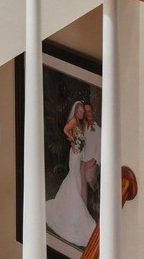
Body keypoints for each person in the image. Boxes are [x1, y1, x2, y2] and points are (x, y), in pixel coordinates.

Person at [46, 99, 101, 249]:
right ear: (76, 111)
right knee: (74, 176)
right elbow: (66, 130)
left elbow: (86, 139)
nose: (82, 113)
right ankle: (74, 205)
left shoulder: (84, 124)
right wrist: (72, 141)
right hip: (76, 154)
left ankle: (76, 203)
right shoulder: (74, 121)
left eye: (84, 111)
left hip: (81, 154)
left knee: (77, 178)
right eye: (81, 111)